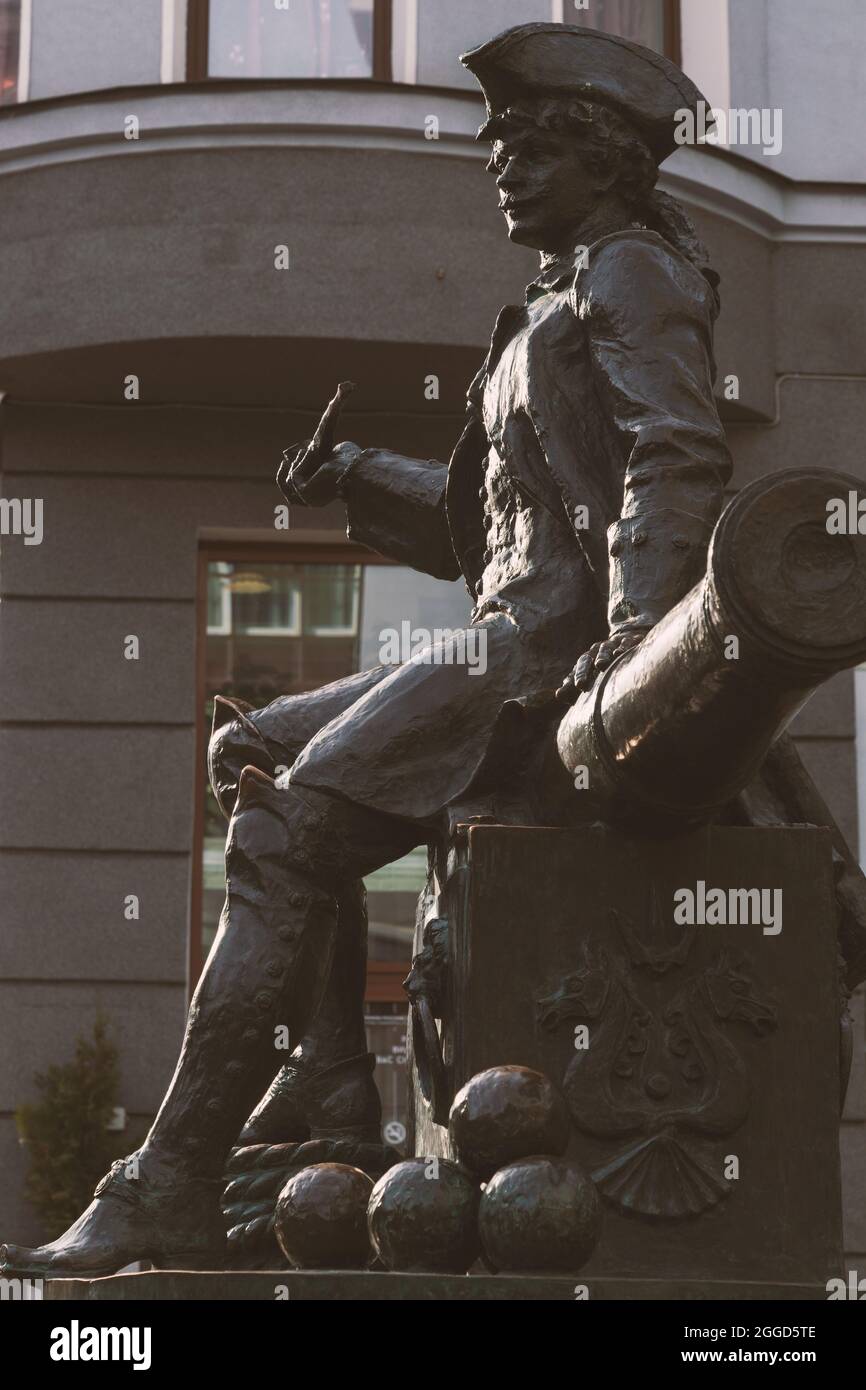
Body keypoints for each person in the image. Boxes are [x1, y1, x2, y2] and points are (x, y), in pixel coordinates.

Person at [1, 22, 740, 1276]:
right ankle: (335, 1091)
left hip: (545, 664)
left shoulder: (628, 274)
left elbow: (677, 458)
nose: (497, 166)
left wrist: (632, 649)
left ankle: (169, 1177)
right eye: (494, 146)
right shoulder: (548, 304)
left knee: (288, 826)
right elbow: (498, 530)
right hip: (509, 634)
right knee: (250, 753)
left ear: (598, 158)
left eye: (524, 147)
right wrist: (360, 476)